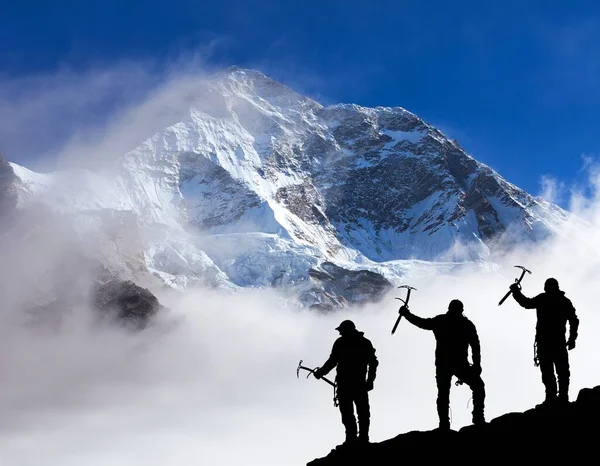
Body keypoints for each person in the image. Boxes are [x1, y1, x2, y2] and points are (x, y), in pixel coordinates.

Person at [399, 299, 485, 430]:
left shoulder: (440, 321)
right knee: (478, 387)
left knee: (443, 394)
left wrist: (406, 314)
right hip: (460, 364)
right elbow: (475, 345)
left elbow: (422, 323)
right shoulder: (466, 324)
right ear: (462, 310)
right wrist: (477, 364)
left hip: (443, 363)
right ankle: (477, 417)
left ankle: (444, 423)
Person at [509, 277, 579, 406]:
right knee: (561, 371)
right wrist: (572, 339)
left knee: (549, 372)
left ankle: (551, 398)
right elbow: (574, 320)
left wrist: (515, 291)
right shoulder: (564, 301)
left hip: (545, 342)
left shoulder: (543, 299)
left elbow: (526, 303)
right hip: (558, 342)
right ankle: (562, 397)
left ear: (546, 288)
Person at [313, 320, 378, 446]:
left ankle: (352, 439)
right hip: (359, 384)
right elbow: (373, 363)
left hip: (345, 384)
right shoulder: (364, 342)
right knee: (362, 412)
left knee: (349, 413)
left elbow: (332, 361)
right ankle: (362, 439)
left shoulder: (341, 343)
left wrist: (321, 372)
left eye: (341, 331)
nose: (339, 333)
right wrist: (370, 381)